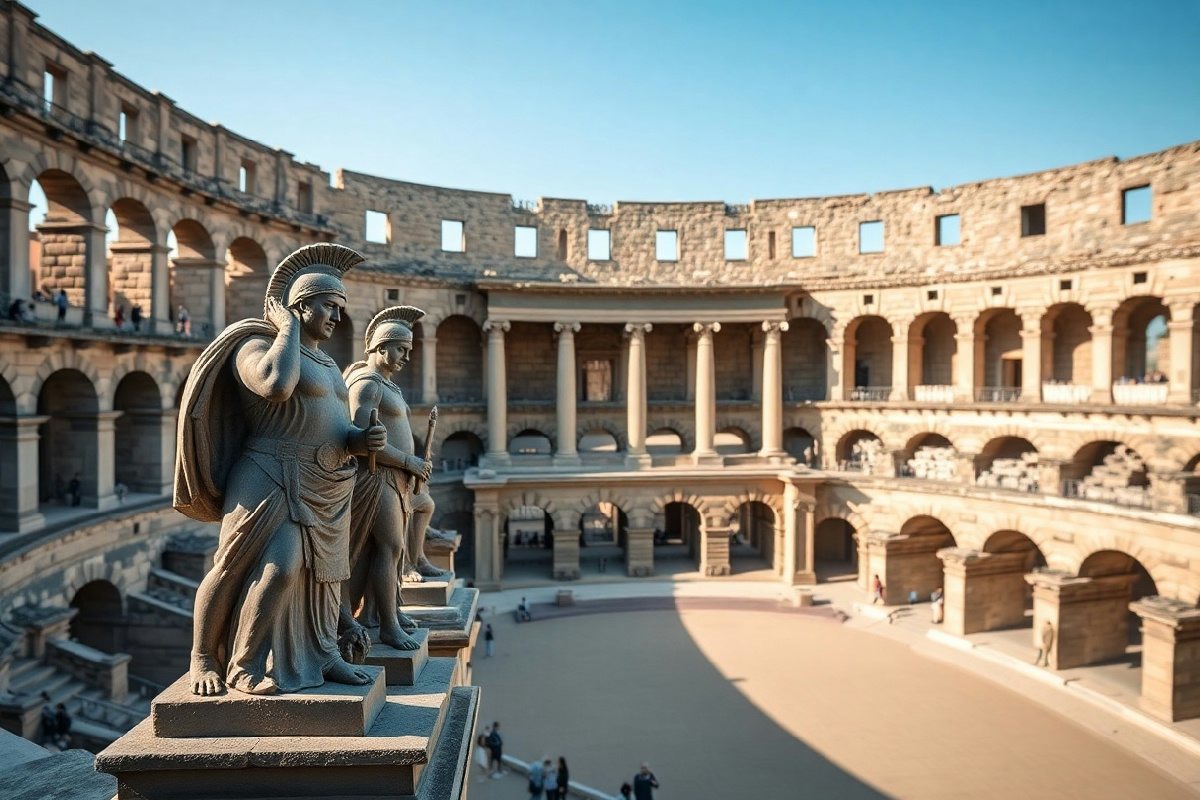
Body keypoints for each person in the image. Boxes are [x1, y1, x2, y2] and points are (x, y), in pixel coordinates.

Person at [175, 243, 383, 696]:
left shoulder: (328, 364)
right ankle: (212, 658)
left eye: (340, 308)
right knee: (265, 569)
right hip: (269, 474)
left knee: (326, 573)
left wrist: (358, 440)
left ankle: (324, 653)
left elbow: (332, 425)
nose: (337, 318)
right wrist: (285, 328)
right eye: (329, 306)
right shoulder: (253, 346)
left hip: (324, 480)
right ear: (300, 304)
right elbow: (274, 386)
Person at [339, 306, 432, 653]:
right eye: (401, 349)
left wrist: (413, 465)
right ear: (381, 346)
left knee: (386, 550)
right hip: (375, 478)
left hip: (395, 479)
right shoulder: (365, 384)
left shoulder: (387, 385)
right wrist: (409, 460)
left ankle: (382, 614)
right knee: (391, 547)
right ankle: (389, 627)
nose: (407, 357)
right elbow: (361, 440)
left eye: (409, 350)